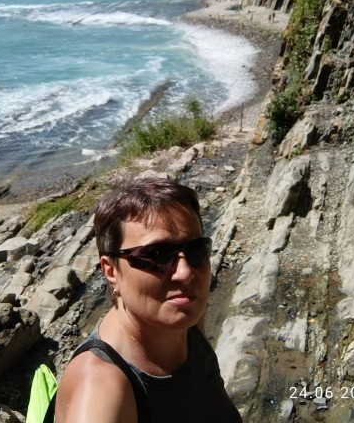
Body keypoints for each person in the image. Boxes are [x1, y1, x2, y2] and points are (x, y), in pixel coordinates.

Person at [55, 177, 242, 422]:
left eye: (196, 250)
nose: (185, 273)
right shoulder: (101, 391)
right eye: (157, 254)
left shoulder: (183, 317)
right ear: (111, 271)